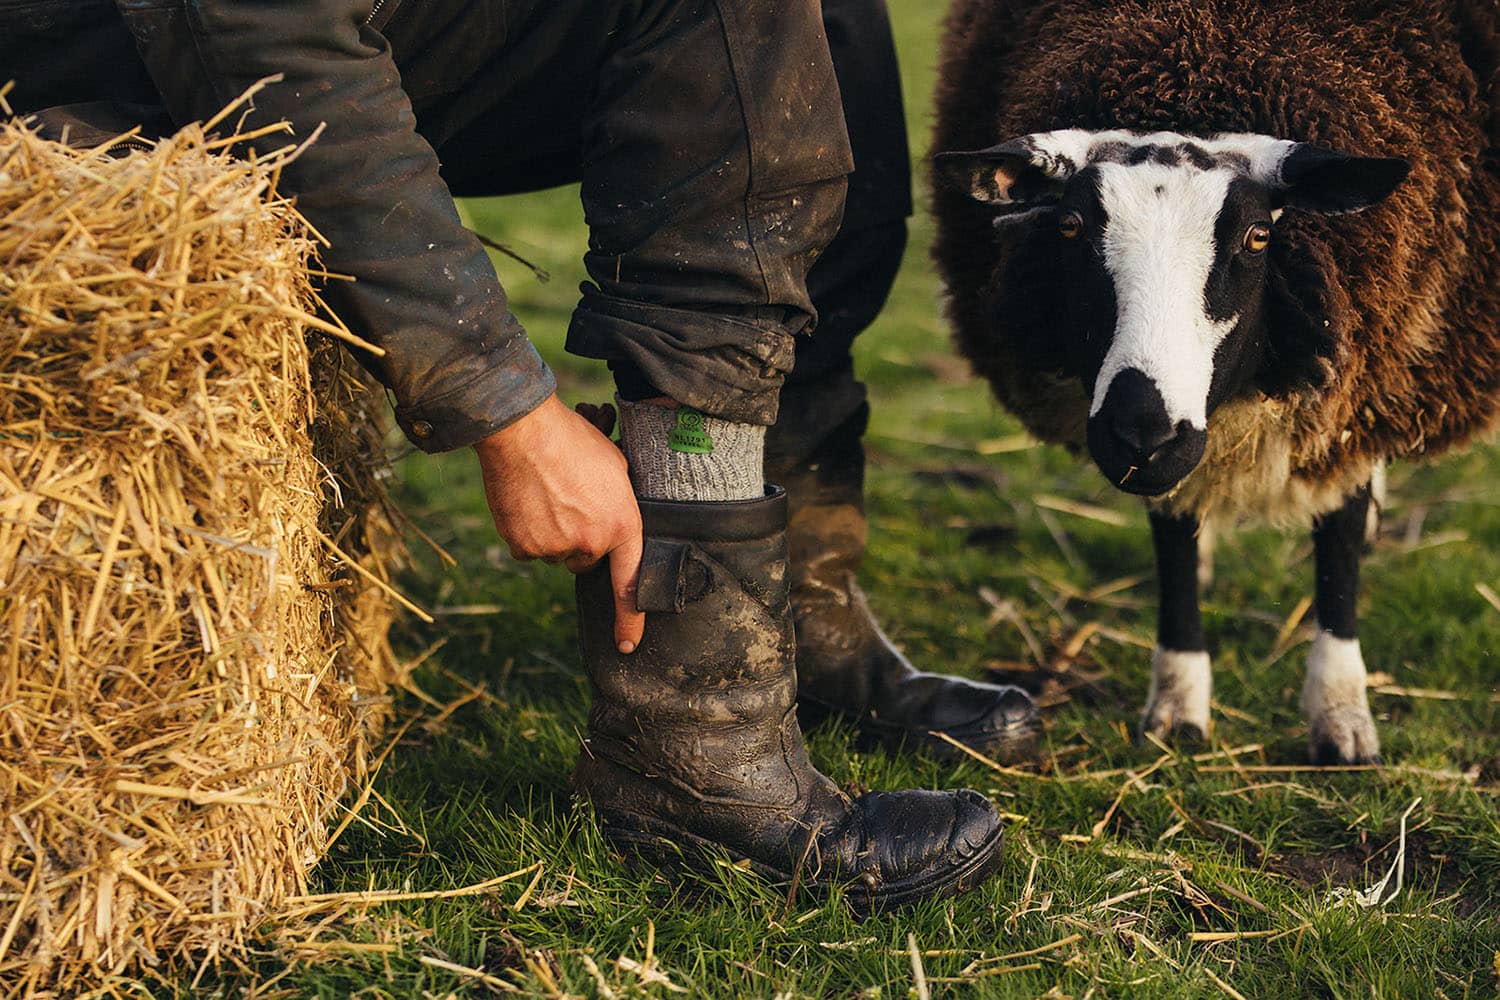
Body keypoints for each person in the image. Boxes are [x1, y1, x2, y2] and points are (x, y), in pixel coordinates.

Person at [4, 0, 1037, 910]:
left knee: (821, 26)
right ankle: (698, 750)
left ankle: (792, 610)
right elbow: (258, 27)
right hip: (99, 47)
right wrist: (509, 406)